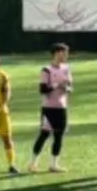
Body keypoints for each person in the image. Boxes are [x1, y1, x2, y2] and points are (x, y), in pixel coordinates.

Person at [28, 43, 72, 173]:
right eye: (64, 53)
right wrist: (57, 85)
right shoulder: (46, 70)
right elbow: (43, 90)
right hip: (49, 108)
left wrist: (67, 88)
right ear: (57, 53)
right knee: (44, 134)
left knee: (59, 135)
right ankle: (33, 163)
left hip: (61, 107)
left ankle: (54, 164)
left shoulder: (66, 69)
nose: (66, 55)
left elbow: (69, 86)